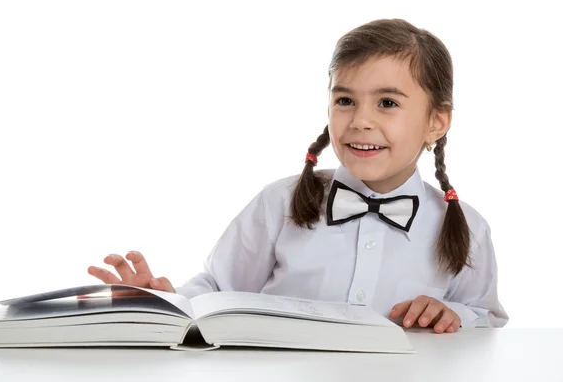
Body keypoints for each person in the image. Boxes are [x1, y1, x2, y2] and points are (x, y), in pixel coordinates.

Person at [87, 18, 508, 333]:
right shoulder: (280, 202)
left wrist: (456, 316)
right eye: (345, 100)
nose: (361, 120)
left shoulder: (468, 227)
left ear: (436, 121)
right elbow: (219, 285)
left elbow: (486, 319)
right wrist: (165, 301)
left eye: (387, 103)